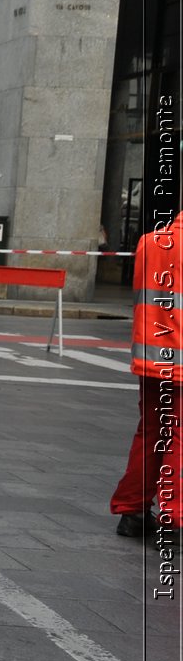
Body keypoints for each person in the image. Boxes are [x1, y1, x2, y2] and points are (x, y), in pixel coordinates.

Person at [111, 214, 183, 538]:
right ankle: (175, 519)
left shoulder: (149, 243)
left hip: (152, 357)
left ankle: (132, 510)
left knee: (151, 432)